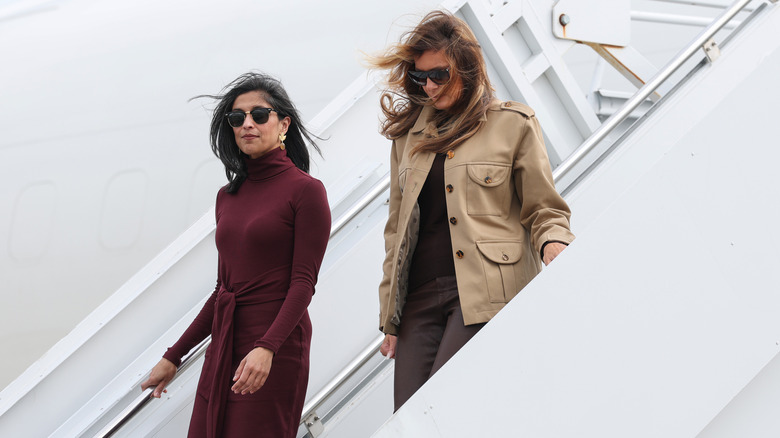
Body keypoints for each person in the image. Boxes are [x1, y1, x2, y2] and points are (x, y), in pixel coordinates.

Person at [368, 11, 576, 411]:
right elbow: (397, 231)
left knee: (449, 402)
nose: (428, 86)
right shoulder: (406, 140)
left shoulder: (513, 123)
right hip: (419, 300)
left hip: (484, 289)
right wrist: (390, 317)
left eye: (439, 75)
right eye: (419, 78)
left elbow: (543, 206)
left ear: (466, 65)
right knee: (409, 416)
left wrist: (553, 241)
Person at [141, 72, 331, 438]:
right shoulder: (226, 197)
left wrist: (267, 348)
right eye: (237, 117)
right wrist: (173, 356)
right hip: (225, 344)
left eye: (259, 115)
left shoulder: (306, 191)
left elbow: (304, 283)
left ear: (283, 124)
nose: (247, 124)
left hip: (273, 348)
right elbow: (223, 290)